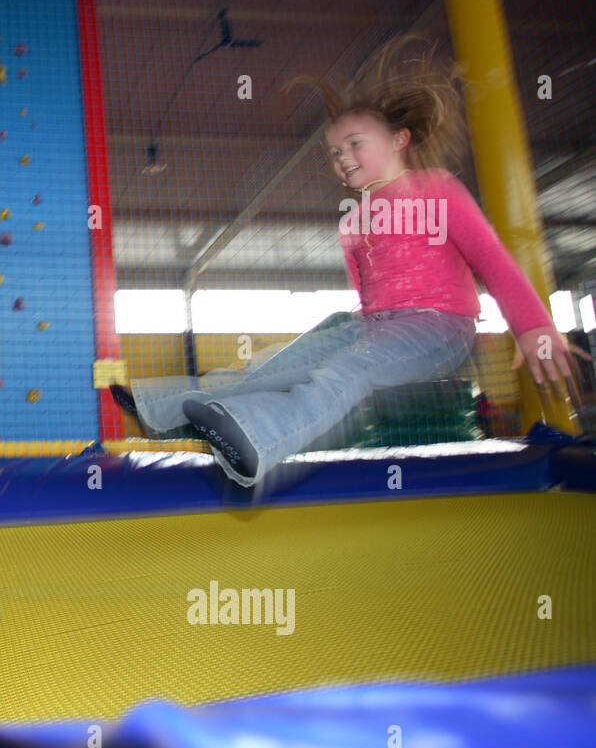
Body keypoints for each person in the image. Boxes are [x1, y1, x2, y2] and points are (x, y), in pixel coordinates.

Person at [113, 35, 588, 487]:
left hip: (439, 326)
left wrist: (533, 326)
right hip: (375, 326)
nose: (342, 158)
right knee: (270, 369)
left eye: (355, 144)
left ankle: (256, 439)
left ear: (399, 139)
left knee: (345, 372)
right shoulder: (354, 222)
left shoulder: (437, 188)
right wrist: (350, 332)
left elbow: (492, 259)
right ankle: (160, 410)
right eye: (335, 152)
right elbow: (366, 297)